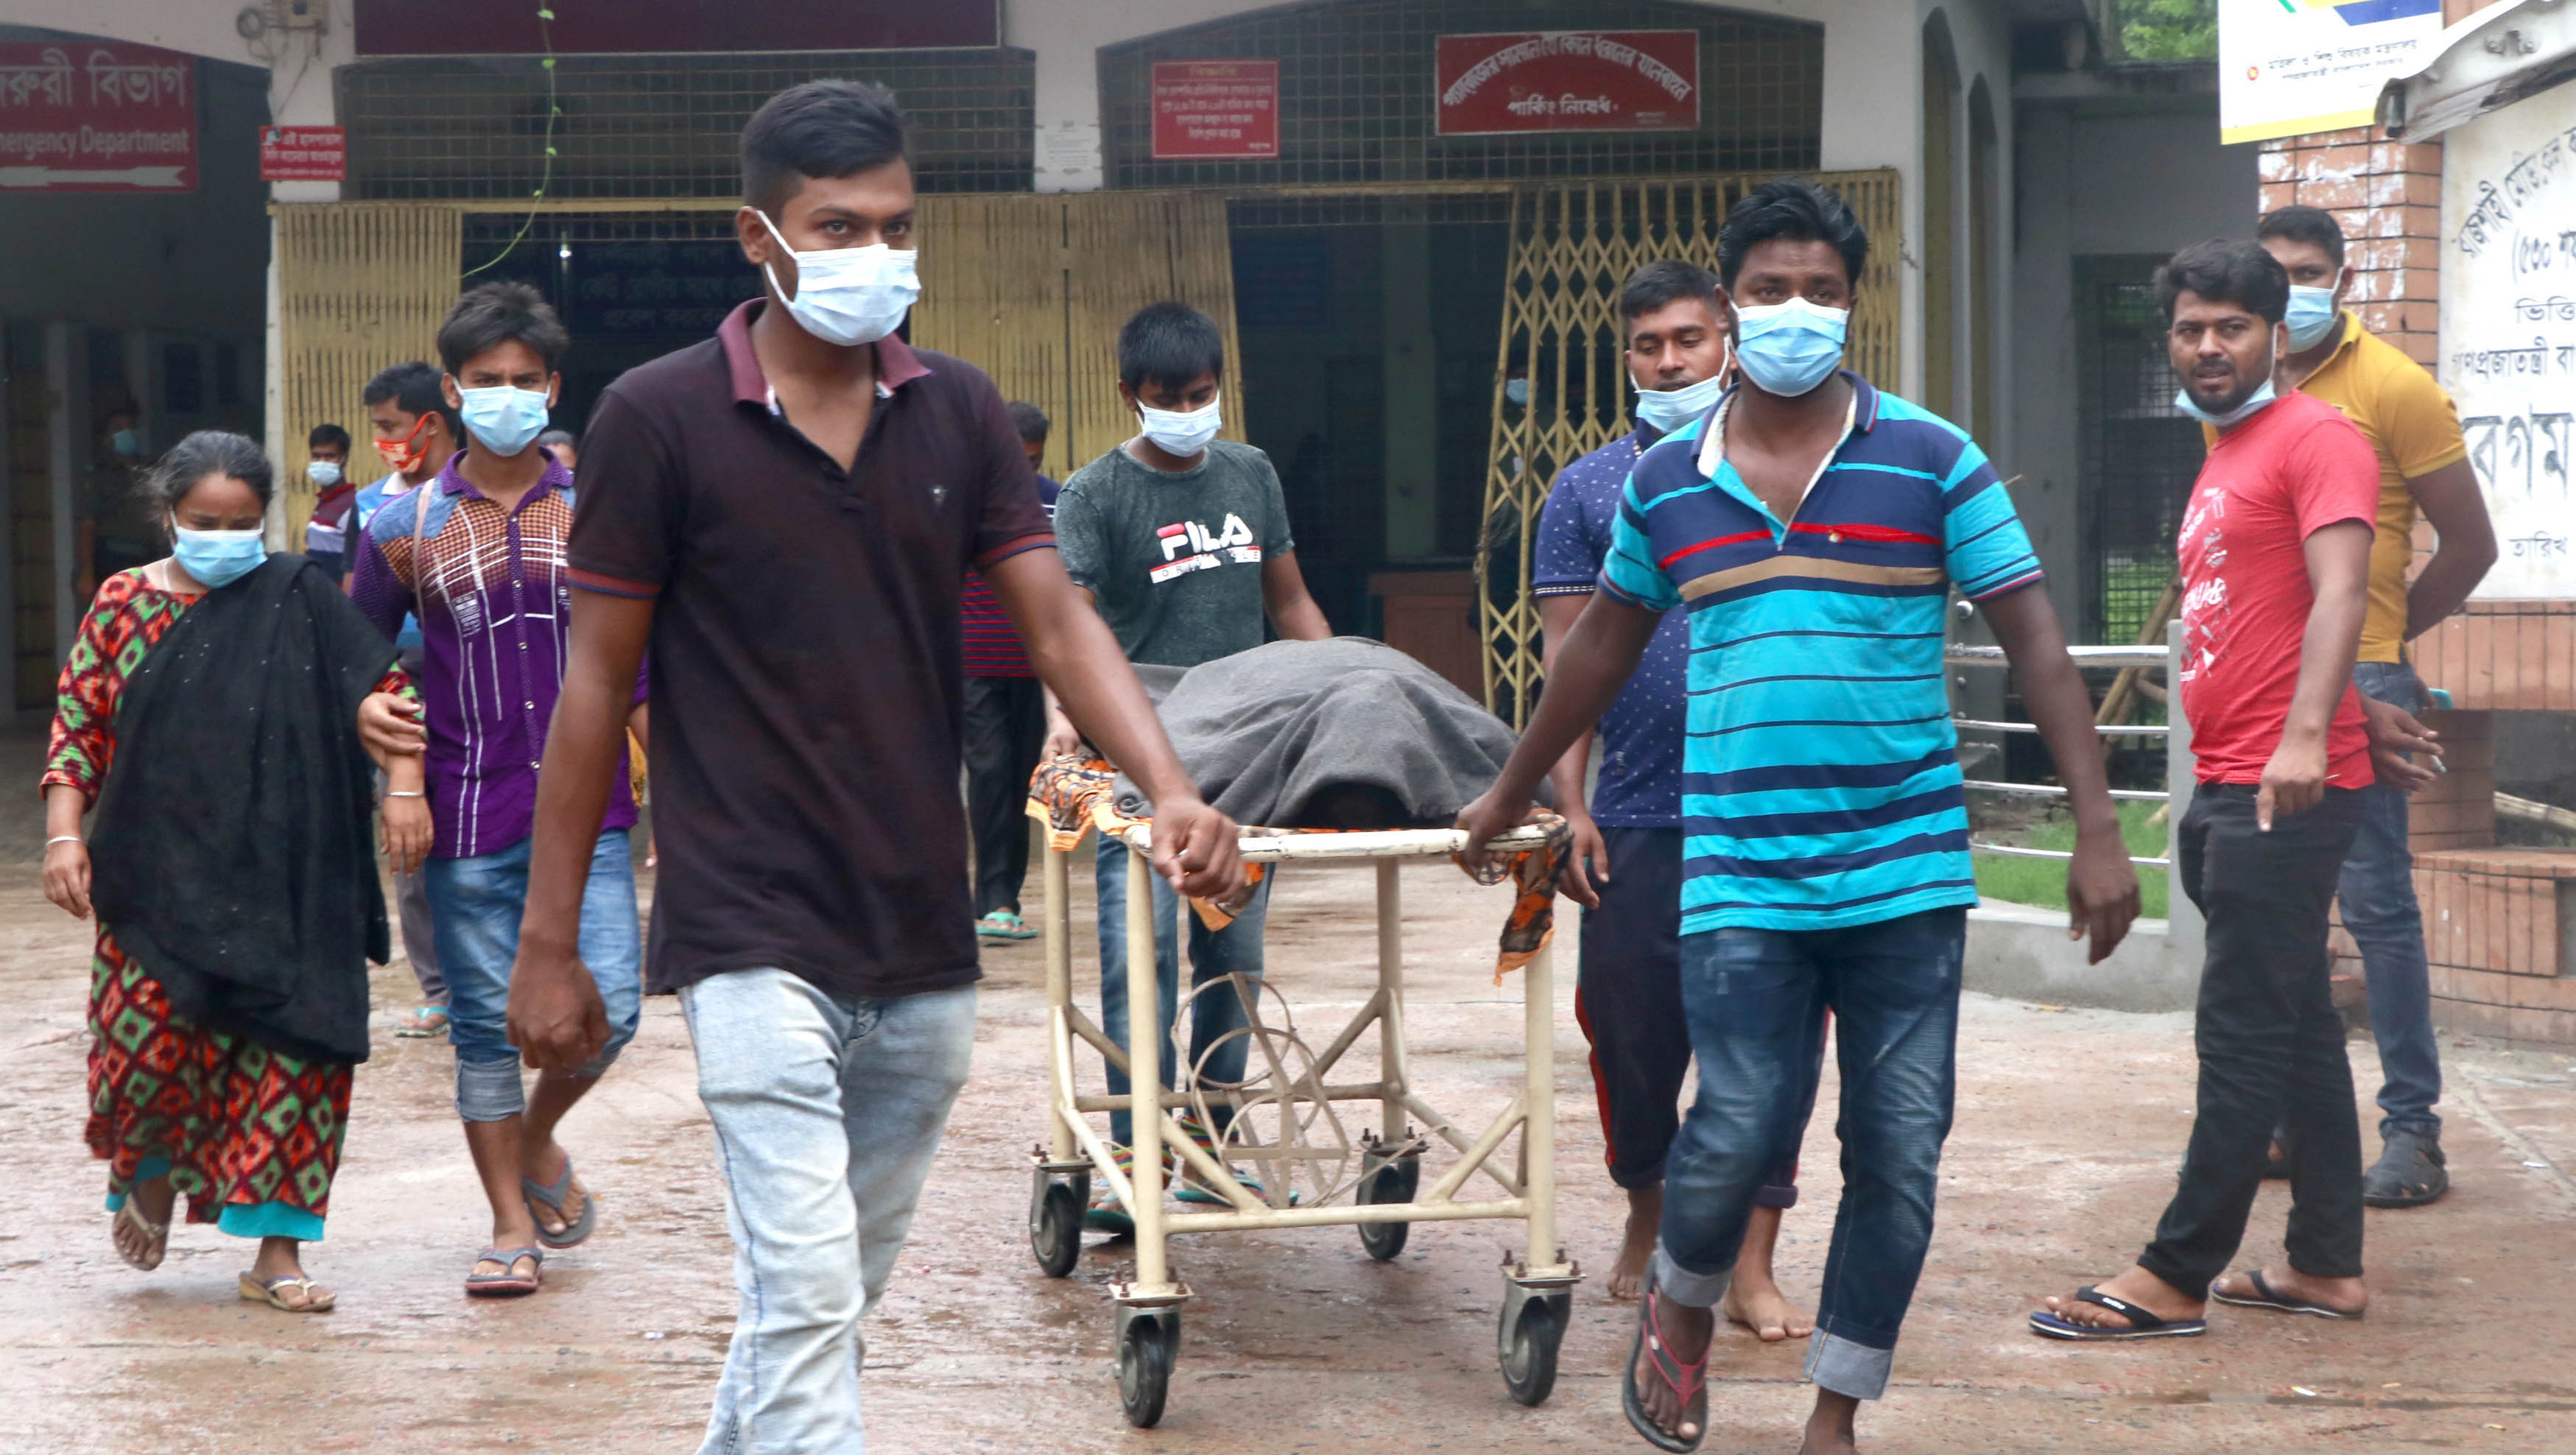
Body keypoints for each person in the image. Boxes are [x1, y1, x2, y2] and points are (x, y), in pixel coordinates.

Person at [498, 80, 1241, 1455]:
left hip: (918, 925)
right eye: (837, 226)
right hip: (744, 915)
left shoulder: (957, 411)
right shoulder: (656, 417)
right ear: (758, 235)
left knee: (829, 1298)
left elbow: (1056, 620)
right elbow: (593, 683)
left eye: (894, 227)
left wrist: (1171, 785)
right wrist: (549, 943)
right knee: (805, 1292)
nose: (874, 255)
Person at [1456, 180, 2138, 1454]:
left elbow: (2036, 644)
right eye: (1769, 289)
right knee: (1733, 1125)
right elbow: (1597, 647)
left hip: (1904, 871)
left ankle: (1835, 1411)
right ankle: (1682, 1304)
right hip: (1738, 873)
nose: (1794, 312)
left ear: (1850, 306)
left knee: (1898, 1147)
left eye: (1820, 291)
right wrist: (1511, 791)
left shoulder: (1933, 458)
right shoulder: (1666, 482)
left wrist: (2094, 828)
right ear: (1730, 305)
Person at [2033, 238, 2379, 1344]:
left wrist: (2310, 734)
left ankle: (2175, 1274)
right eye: (2189, 328)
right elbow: (2269, 608)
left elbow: (2341, 590)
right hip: (2234, 771)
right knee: (2298, 1030)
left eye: (2232, 326)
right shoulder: (2228, 448)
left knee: (2238, 1036)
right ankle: (2325, 1264)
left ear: (2276, 333)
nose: (2208, 346)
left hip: (2281, 786)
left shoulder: (2318, 436)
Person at [42, 430, 431, 1314]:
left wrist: (402, 780)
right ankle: (150, 1170)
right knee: (147, 1047)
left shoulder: (301, 597)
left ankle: (277, 1251)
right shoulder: (123, 602)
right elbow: (79, 724)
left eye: (241, 522)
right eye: (203, 521)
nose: (223, 538)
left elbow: (387, 693)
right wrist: (65, 835)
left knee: (298, 1055)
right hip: (156, 871)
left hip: (295, 875)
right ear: (169, 515)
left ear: (266, 518)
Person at [1532, 258, 1819, 1338]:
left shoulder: (1789, 471)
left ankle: (1750, 1260)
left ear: (1728, 347)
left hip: (1774, 811)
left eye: (1688, 340)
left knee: (1776, 1038)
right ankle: (1647, 1214)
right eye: (1647, 345)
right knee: (1629, 1029)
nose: (1668, 362)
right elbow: (1568, 663)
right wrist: (1569, 805)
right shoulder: (1585, 491)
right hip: (1640, 813)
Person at [350, 283, 650, 1299]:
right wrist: (395, 764)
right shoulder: (402, 524)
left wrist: (686, 799)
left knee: (612, 1011)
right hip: (463, 807)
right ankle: (509, 1225)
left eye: (525, 379)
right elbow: (355, 656)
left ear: (553, 387)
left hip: (592, 807)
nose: (507, 394)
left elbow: (641, 665)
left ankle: (533, 1138)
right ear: (453, 390)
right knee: (483, 1027)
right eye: (487, 379)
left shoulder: (602, 514)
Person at [1049, 299, 1334, 1223]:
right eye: (1167, 397)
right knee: (1140, 953)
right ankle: (1137, 1151)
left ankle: (1211, 1149)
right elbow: (1070, 629)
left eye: (1201, 394)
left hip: (1248, 746)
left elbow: (1289, 601)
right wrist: (1065, 719)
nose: (1186, 411)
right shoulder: (1095, 495)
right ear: (1128, 394)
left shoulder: (1251, 473)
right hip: (1143, 748)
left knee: (1232, 955)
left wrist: (1337, 683)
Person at [2251, 205, 2496, 1208]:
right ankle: (2287, 1120)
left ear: (2342, 281)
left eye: (2310, 271)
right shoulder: (2241, 389)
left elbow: (2471, 544)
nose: (2293, 290)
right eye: (2274, 272)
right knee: (2274, 910)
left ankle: (2412, 1132)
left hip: (2364, 677)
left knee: (2377, 908)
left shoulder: (2394, 388)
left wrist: (2385, 649)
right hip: (2262, 682)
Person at [357, 360, 461, 1039]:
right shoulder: (372, 508)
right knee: (411, 840)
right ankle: (440, 987)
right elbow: (358, 608)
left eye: (391, 426)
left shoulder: (474, 498)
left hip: (468, 675)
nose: (385, 440)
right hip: (398, 682)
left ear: (430, 424)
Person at [963, 399, 1062, 940]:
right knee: (989, 772)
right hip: (971, 662)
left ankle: (1004, 900)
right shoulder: (958, 500)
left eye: (1034, 461)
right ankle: (991, 900)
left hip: (1034, 666)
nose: (1024, 472)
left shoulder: (1057, 504)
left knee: (1023, 780)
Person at [303, 424, 358, 580]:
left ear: (344, 458)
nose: (322, 462)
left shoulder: (351, 505)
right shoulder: (324, 502)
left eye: (330, 456)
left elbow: (357, 563)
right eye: (316, 456)